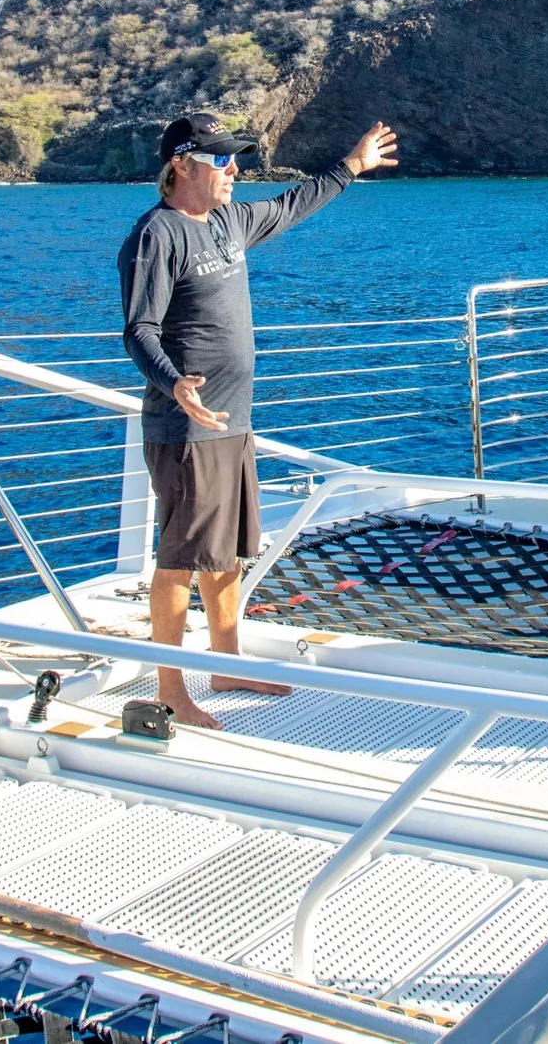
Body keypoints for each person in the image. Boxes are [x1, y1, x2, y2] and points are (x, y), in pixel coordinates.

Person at [119, 111, 399, 730]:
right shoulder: (158, 235)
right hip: (187, 427)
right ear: (180, 167)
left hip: (233, 421)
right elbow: (138, 329)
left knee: (226, 554)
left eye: (233, 158)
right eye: (221, 160)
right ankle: (170, 691)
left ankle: (226, 663)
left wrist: (352, 165)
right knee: (180, 559)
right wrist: (174, 384)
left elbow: (295, 202)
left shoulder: (227, 221)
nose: (233, 169)